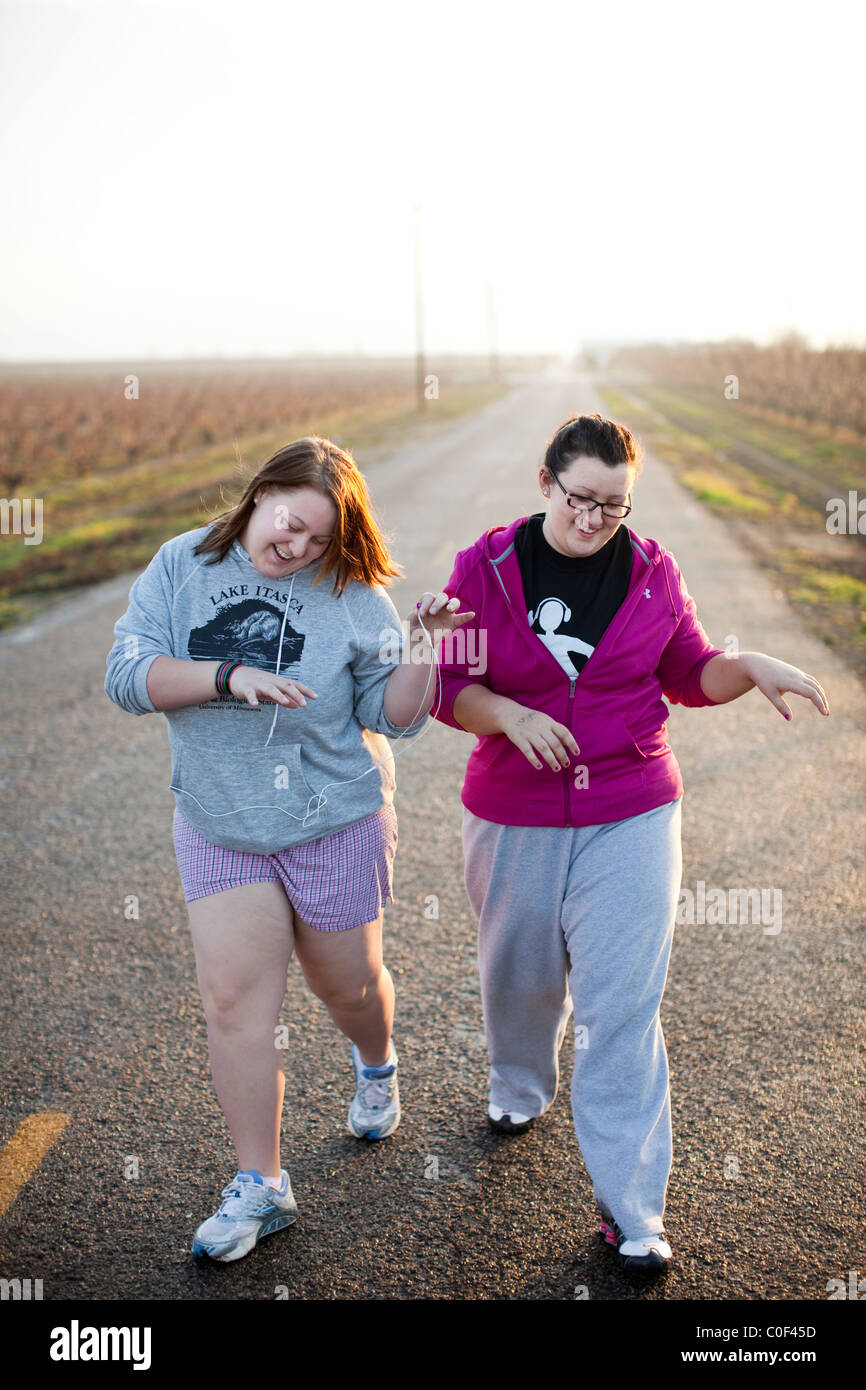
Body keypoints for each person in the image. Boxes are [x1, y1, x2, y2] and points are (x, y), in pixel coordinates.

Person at [432, 412, 830, 1276]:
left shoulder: (652, 571)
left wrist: (747, 663)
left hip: (632, 805)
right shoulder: (484, 567)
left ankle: (632, 1211)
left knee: (624, 1007)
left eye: (614, 506)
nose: (596, 520)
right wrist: (508, 715)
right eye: (581, 500)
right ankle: (518, 1084)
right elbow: (450, 687)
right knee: (520, 973)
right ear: (546, 484)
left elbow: (688, 673)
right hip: (514, 813)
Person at [104, 435, 471, 1263]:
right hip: (220, 823)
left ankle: (376, 1062)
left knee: (347, 988)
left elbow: (397, 717)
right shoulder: (182, 565)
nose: (299, 548)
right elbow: (127, 673)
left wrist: (422, 646)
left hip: (331, 821)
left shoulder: (347, 586)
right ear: (262, 492)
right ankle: (261, 1184)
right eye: (291, 525)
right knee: (235, 1002)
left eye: (317, 539)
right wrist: (227, 676)